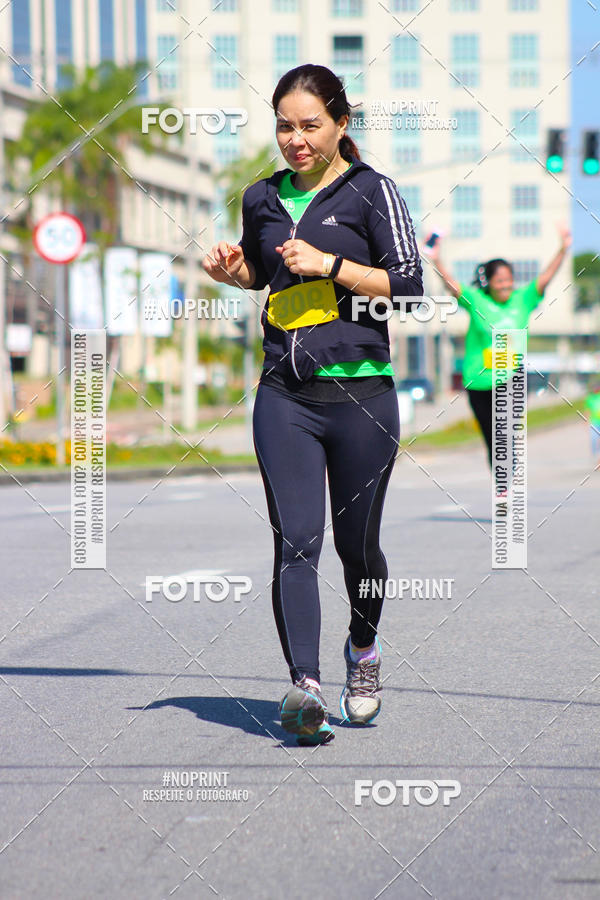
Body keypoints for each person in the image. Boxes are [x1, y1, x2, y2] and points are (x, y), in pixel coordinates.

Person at [202, 63, 422, 745]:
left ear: (340, 124)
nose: (294, 139)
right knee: (296, 541)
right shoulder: (261, 196)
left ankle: (362, 649)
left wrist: (332, 266)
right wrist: (233, 272)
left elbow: (409, 286)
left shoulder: (371, 191)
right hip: (285, 395)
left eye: (309, 125)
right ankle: (305, 687)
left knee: (359, 551)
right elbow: (265, 275)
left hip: (362, 396)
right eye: (284, 126)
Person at [429, 227, 571, 467]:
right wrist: (436, 258)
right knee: (491, 438)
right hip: (478, 381)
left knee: (504, 434)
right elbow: (452, 285)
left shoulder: (523, 298)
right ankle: (502, 485)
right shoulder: (477, 300)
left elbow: (546, 276)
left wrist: (563, 248)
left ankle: (508, 475)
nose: (506, 284)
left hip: (510, 379)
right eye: (500, 280)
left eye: (509, 279)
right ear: (490, 282)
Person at [585, 382, 600, 459]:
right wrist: (586, 422)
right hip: (594, 422)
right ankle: (596, 454)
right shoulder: (590, 398)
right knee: (594, 439)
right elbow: (587, 410)